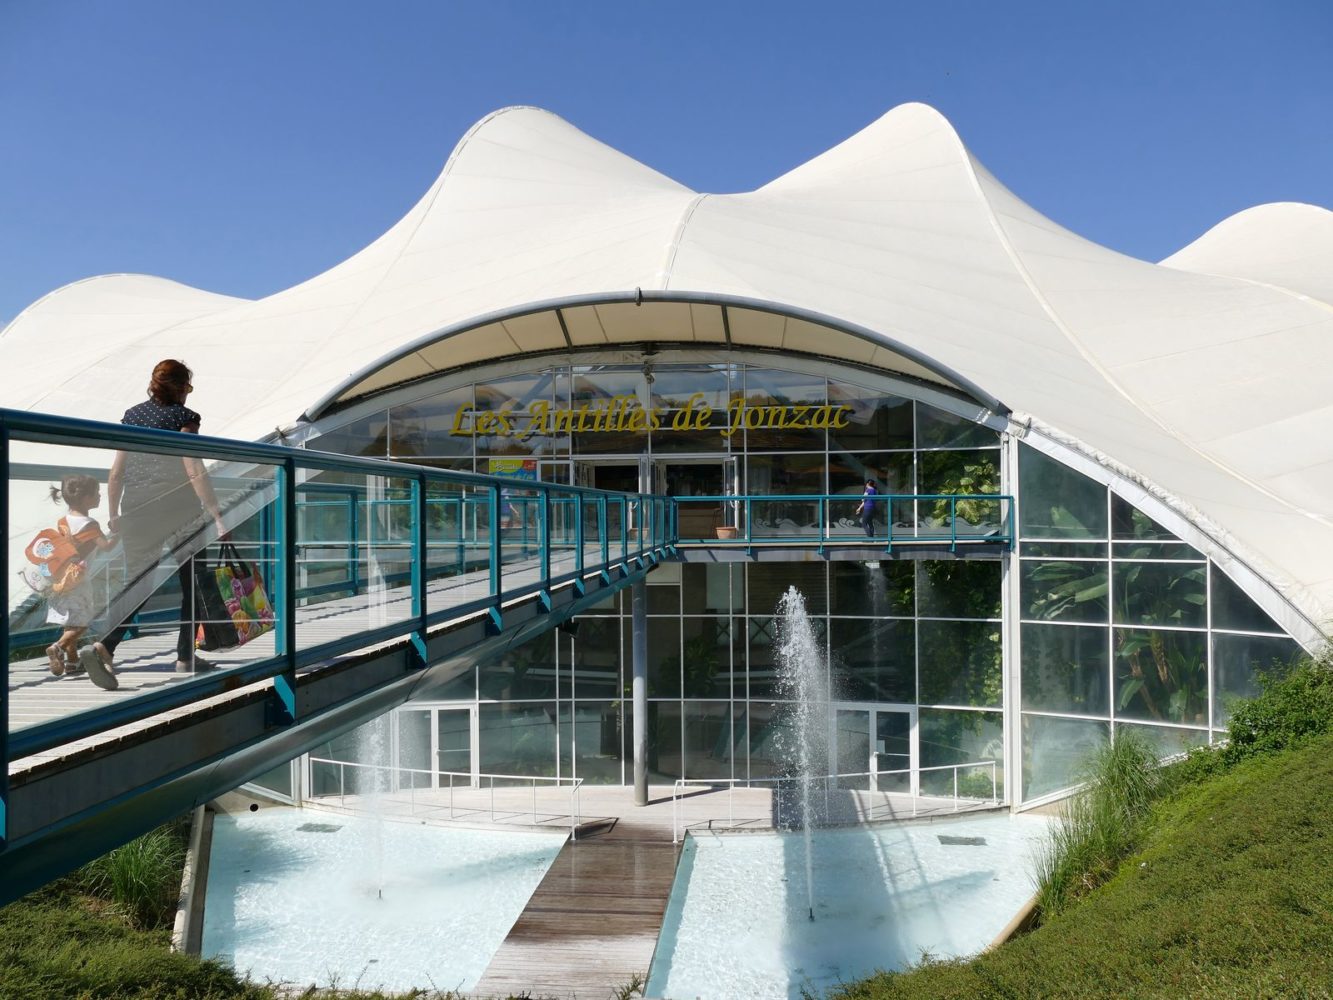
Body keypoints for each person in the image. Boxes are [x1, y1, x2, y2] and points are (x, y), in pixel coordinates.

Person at [83, 359, 228, 678]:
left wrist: (113, 514)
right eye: (188, 387)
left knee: (138, 582)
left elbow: (116, 472)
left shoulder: (132, 416)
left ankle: (105, 646)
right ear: (180, 387)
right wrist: (217, 514)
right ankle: (185, 657)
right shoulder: (184, 417)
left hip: (136, 510)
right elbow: (193, 468)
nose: (188, 394)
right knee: (193, 583)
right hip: (180, 511)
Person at [43, 475, 119, 687]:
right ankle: (58, 647)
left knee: (71, 622)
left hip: (60, 580)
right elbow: (106, 547)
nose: (100, 496)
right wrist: (118, 533)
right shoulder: (90, 525)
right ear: (85, 498)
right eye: (96, 493)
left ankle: (72, 662)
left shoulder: (63, 521)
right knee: (82, 623)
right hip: (78, 581)